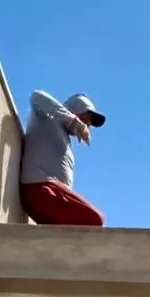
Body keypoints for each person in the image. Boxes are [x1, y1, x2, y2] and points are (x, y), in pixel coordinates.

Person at [19, 91, 106, 226]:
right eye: (85, 118)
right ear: (75, 111)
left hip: (50, 195)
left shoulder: (65, 140)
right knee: (95, 219)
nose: (87, 125)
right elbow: (36, 96)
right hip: (41, 189)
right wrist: (73, 121)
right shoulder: (47, 118)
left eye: (89, 123)